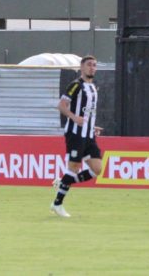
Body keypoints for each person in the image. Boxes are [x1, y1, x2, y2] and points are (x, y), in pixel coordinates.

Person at [50, 55, 103, 218]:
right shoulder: (75, 85)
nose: (92, 68)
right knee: (73, 168)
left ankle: (65, 181)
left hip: (88, 135)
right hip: (75, 134)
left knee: (97, 169)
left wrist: (91, 126)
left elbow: (87, 113)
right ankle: (57, 203)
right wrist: (74, 118)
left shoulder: (93, 87)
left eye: (94, 65)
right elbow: (61, 105)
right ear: (81, 67)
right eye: (89, 65)